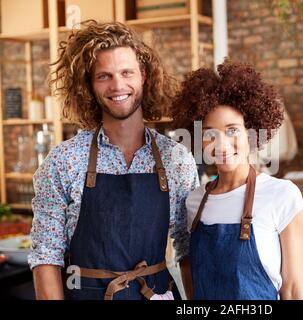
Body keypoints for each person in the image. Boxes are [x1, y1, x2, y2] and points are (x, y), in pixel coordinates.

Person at [29, 21, 199, 300]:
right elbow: (46, 256)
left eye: (126, 72)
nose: (118, 85)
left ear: (143, 75)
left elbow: (187, 250)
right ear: (89, 86)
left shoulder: (176, 160)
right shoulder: (64, 160)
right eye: (104, 76)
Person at [171, 59, 303, 300]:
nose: (222, 144)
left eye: (233, 130)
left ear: (251, 131)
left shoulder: (283, 196)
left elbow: (293, 289)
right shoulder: (194, 201)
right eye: (210, 134)